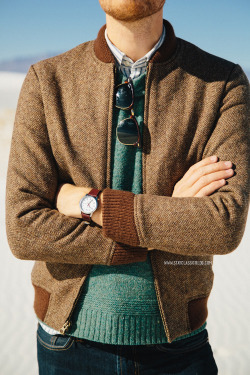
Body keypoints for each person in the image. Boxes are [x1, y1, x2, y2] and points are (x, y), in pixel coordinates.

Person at [5, 0, 250, 374]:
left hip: (179, 346)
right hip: (66, 344)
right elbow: (24, 229)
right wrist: (170, 214)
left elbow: (222, 226)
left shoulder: (223, 82)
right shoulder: (46, 80)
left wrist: (91, 203)